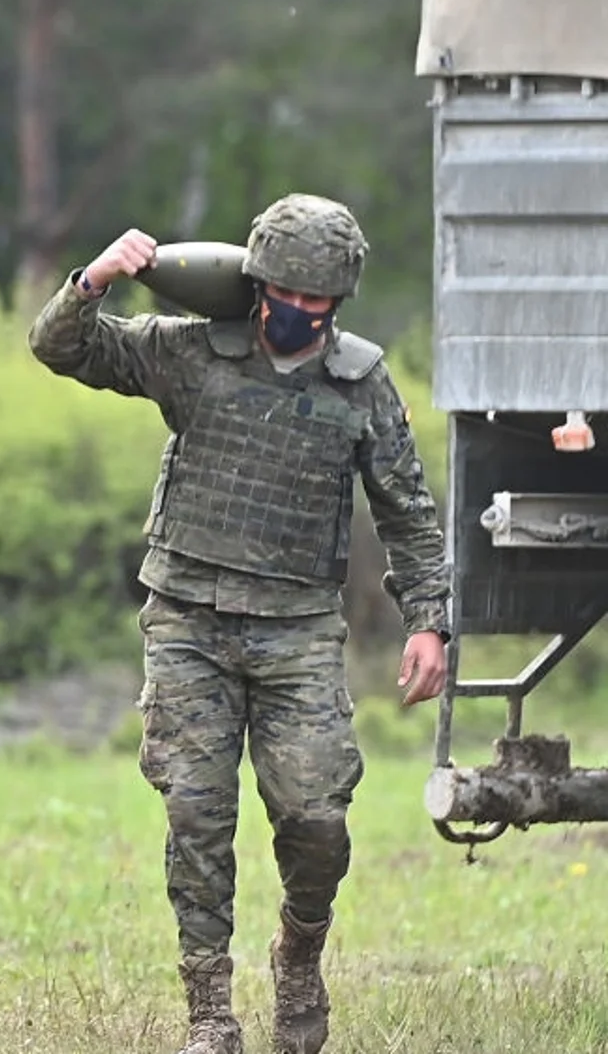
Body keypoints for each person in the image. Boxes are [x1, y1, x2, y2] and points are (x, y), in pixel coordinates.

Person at [26, 193, 452, 1054]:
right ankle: (210, 1013)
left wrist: (429, 623)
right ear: (257, 286)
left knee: (317, 818)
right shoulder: (191, 354)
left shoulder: (360, 382)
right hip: (188, 617)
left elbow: (408, 511)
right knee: (196, 811)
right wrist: (94, 279)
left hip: (296, 628)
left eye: (321, 304)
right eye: (290, 298)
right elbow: (61, 348)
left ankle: (300, 950)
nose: (303, 316)